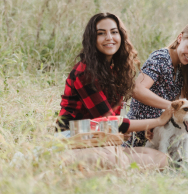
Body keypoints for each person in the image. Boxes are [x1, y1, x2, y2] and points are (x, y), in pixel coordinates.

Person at [57, 12, 169, 169]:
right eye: (101, 33)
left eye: (114, 32)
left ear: (121, 36)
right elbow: (110, 122)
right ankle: (63, 160)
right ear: (92, 39)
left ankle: (104, 165)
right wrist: (159, 121)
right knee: (117, 161)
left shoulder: (115, 70)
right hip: (72, 136)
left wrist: (121, 133)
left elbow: (112, 125)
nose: (109, 37)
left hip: (100, 137)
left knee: (161, 158)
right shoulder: (85, 72)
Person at [126, 20, 188, 157]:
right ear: (180, 38)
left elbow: (183, 120)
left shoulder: (182, 68)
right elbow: (137, 89)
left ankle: (177, 156)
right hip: (147, 130)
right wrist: (172, 106)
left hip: (172, 129)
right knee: (160, 155)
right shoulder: (161, 58)